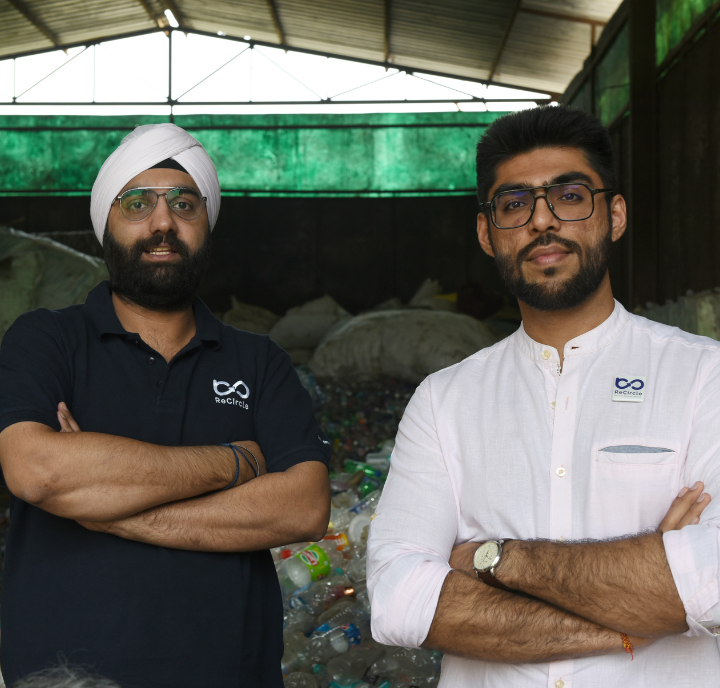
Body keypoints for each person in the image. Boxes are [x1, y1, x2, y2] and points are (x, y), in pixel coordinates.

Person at [366, 105, 720, 687]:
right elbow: (399, 599)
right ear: (487, 232)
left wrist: (492, 559)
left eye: (570, 196)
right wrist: (644, 607)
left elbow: (712, 584)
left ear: (615, 215)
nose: (542, 221)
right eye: (514, 204)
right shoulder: (443, 400)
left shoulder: (702, 374)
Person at [0, 123, 331, 688]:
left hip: (229, 672)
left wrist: (112, 510)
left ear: (206, 224)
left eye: (184, 204)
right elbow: (37, 470)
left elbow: (302, 507)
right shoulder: (47, 339)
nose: (162, 223)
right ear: (106, 223)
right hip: (64, 674)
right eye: (137, 204)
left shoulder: (257, 360)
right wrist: (236, 462)